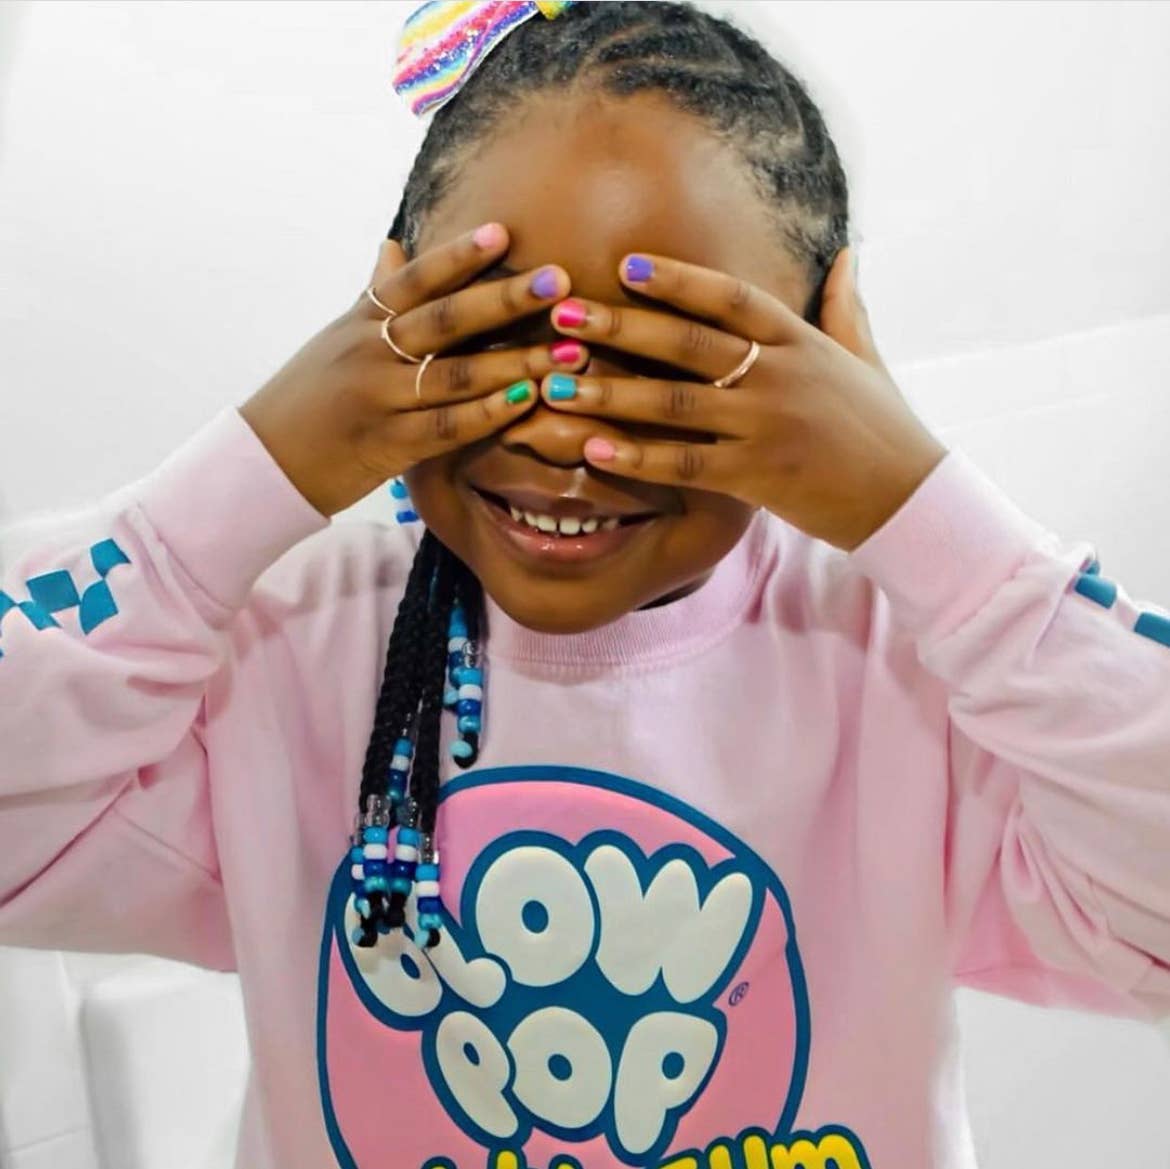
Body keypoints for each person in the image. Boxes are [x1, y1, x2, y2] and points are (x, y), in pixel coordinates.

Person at [1, 2, 1168, 1167]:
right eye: (503, 339)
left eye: (665, 364)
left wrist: (916, 508)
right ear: (391, 305)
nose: (567, 438)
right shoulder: (286, 644)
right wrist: (262, 467)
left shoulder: (909, 665)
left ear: (830, 352)